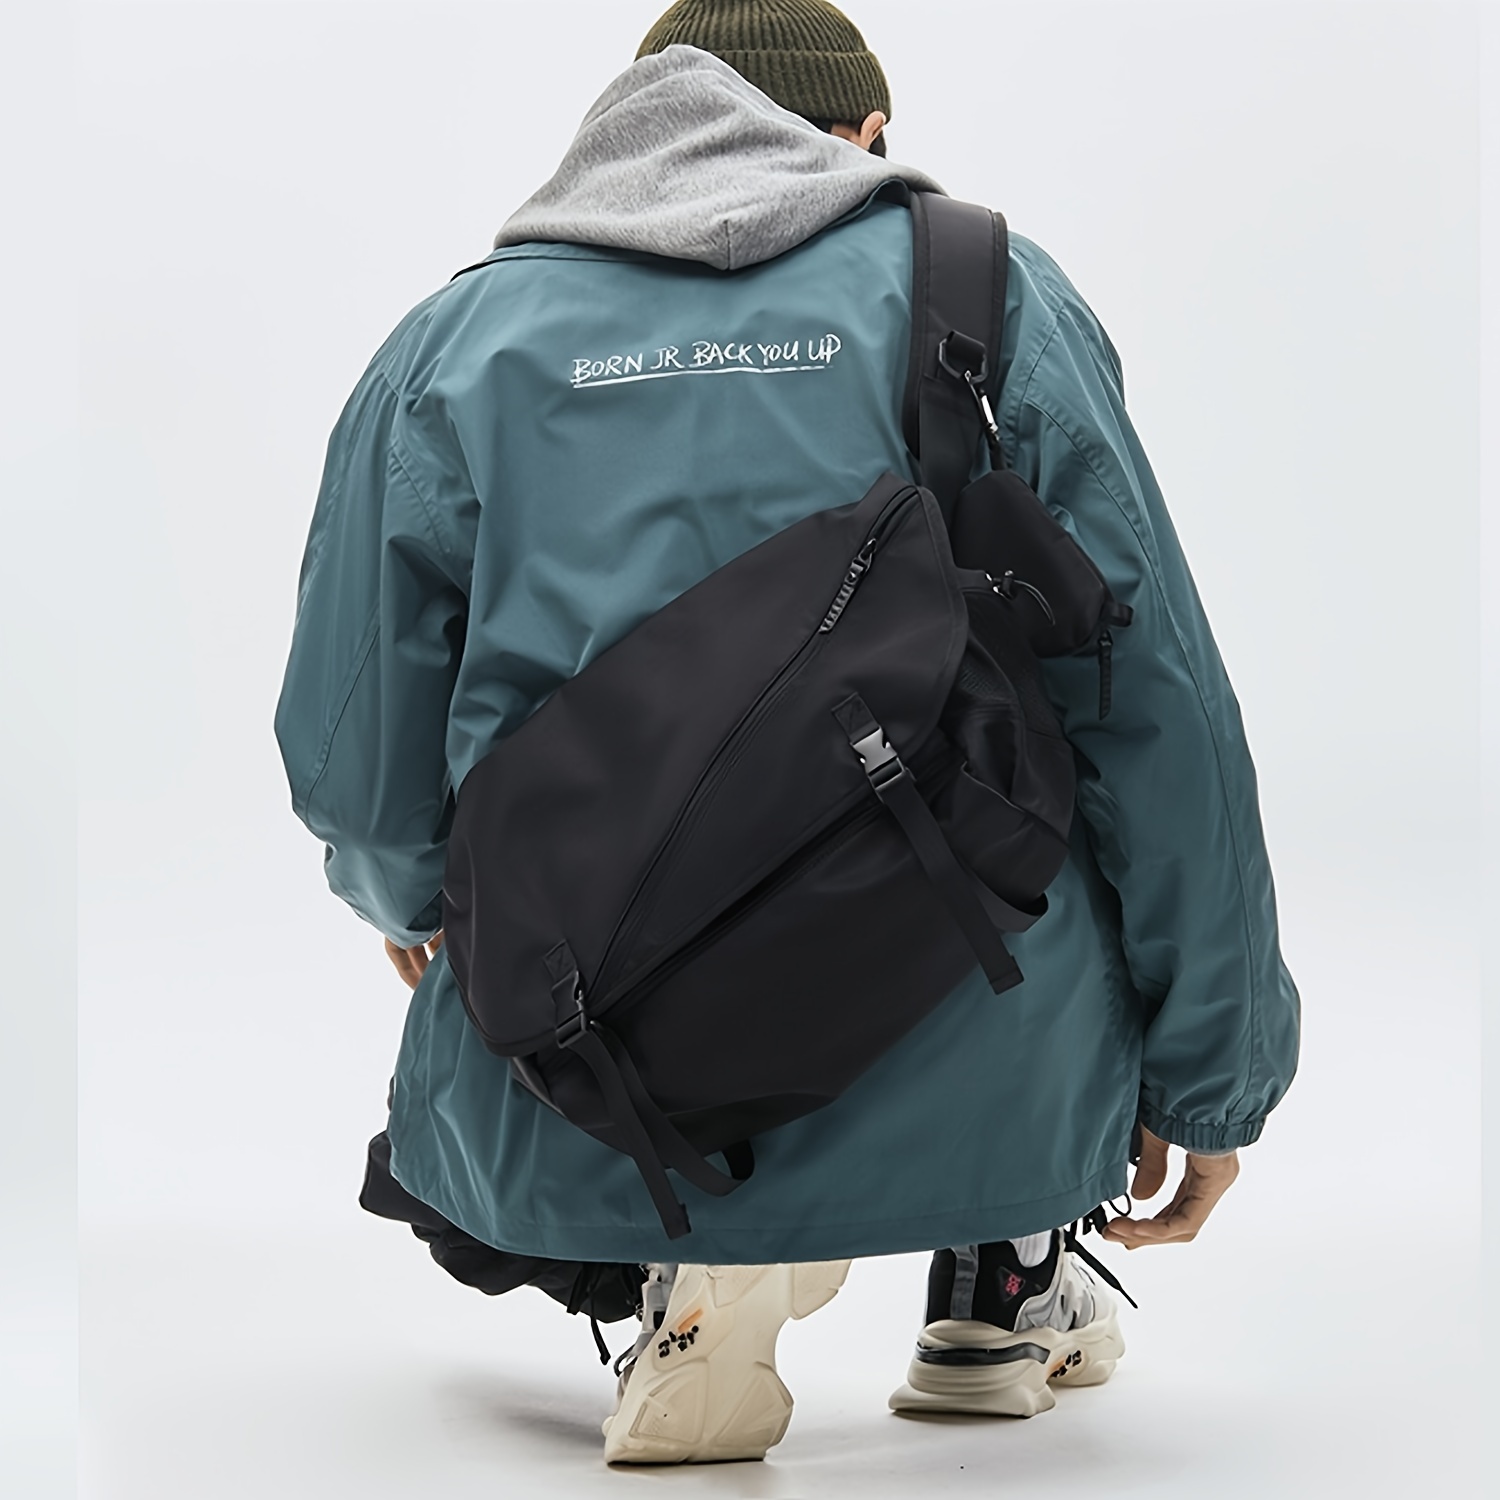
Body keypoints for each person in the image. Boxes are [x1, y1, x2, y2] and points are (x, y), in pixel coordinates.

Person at [275, 0, 1300, 1467]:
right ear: (865, 138)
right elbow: (1155, 708)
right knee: (990, 759)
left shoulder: (455, 345)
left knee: (626, 943)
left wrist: (414, 903)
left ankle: (694, 1266)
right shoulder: (985, 292)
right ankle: (1006, 1272)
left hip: (601, 1041)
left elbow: (353, 742)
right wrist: (1211, 1076)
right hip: (984, 1032)